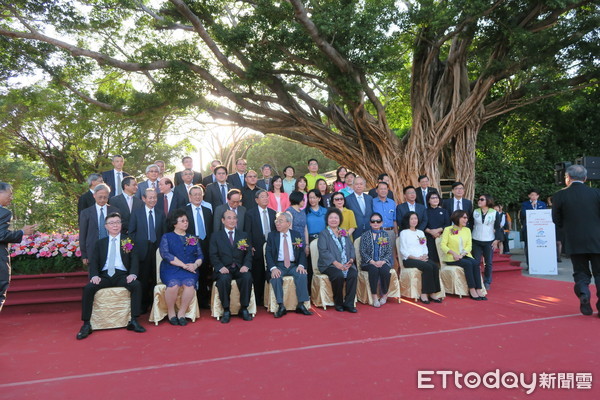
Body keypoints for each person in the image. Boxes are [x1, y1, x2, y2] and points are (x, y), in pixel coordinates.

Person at [76, 212, 145, 339]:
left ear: (121, 225)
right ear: (106, 226)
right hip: (104, 275)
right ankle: (86, 324)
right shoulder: (100, 243)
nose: (115, 225)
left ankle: (134, 320)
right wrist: (94, 275)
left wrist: (133, 274)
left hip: (121, 275)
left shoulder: (128, 241)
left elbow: (135, 259)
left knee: (136, 285)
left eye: (118, 222)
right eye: (112, 223)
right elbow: (94, 261)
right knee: (88, 288)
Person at [552, 164, 600, 316]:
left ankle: (584, 292)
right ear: (585, 178)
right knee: (599, 273)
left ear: (568, 178)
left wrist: (566, 231)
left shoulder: (560, 195)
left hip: (573, 239)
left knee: (580, 271)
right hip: (597, 239)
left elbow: (556, 219)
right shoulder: (596, 193)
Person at [158, 209, 203, 326]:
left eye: (186, 221)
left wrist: (195, 265)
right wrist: (183, 265)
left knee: (189, 284)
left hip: (190, 269)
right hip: (170, 268)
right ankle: (171, 312)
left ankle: (182, 313)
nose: (185, 223)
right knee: (173, 285)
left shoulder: (192, 237)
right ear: (174, 223)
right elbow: (166, 255)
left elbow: (200, 255)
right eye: (182, 221)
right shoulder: (167, 237)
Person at [265, 212, 313, 318]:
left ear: (288, 223)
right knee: (276, 277)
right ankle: (281, 305)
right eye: (276, 221)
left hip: (293, 265)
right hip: (279, 265)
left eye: (280, 221)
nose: (277, 223)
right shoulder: (272, 235)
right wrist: (273, 268)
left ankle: (301, 304)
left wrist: (301, 265)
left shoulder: (296, 234)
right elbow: (268, 253)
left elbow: (301, 252)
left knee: (302, 274)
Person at [209, 210, 254, 323]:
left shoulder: (243, 235)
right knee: (223, 280)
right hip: (224, 268)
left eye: (234, 218)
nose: (232, 220)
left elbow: (248, 253)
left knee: (247, 277)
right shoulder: (216, 236)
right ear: (223, 220)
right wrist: (219, 267)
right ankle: (226, 309)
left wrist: (246, 266)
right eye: (229, 218)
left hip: (239, 267)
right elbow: (213, 255)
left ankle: (244, 308)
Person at [128, 188, 166, 312]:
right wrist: (138, 244)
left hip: (157, 250)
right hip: (142, 250)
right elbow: (131, 232)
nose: (153, 200)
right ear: (144, 199)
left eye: (154, 197)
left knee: (157, 278)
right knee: (143, 279)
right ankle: (143, 305)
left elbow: (164, 233)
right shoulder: (136, 213)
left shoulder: (161, 213)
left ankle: (157, 304)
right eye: (150, 197)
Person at [0, 182, 36, 311]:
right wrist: (21, 232)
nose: (11, 197)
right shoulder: (3, 212)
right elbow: (1, 235)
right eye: (10, 194)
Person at [317, 208, 358, 313]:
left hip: (346, 263)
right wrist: (336, 263)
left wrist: (351, 260)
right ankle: (338, 303)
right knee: (338, 275)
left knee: (353, 273)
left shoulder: (344, 232)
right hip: (329, 265)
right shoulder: (323, 234)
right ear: (327, 220)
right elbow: (323, 251)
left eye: (336, 218)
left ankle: (349, 303)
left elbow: (351, 247)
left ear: (340, 220)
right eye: (331, 218)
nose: (333, 220)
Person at [440, 210, 487, 300]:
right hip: (452, 257)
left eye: (467, 218)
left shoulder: (467, 230)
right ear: (457, 218)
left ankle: (479, 288)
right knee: (468, 264)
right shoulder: (448, 229)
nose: (466, 220)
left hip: (464, 255)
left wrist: (463, 254)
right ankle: (472, 289)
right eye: (464, 218)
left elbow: (469, 245)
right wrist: (454, 254)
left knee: (475, 262)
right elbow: (443, 245)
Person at [399, 211, 443, 303]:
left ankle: (433, 293)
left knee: (434, 266)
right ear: (408, 220)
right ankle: (424, 293)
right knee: (427, 267)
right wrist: (416, 258)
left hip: (422, 258)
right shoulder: (404, 233)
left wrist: (424, 255)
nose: (414, 221)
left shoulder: (420, 232)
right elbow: (403, 250)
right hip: (409, 259)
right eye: (412, 219)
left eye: (416, 218)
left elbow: (424, 246)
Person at [182, 185, 213, 308]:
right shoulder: (184, 211)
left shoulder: (207, 211)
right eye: (194, 194)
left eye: (199, 194)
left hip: (205, 243)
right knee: (191, 271)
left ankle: (203, 300)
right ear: (189, 197)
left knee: (205, 272)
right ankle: (190, 301)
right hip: (190, 245)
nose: (197, 196)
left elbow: (210, 229)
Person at [245, 189, 277, 305]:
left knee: (270, 270)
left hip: (271, 246)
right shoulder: (250, 213)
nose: (265, 199)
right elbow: (247, 232)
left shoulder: (273, 213)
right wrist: (250, 246)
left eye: (267, 196)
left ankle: (270, 298)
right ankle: (258, 299)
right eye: (262, 197)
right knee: (258, 272)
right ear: (256, 200)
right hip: (257, 246)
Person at [79, 184, 120, 266]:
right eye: (100, 197)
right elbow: (83, 235)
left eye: (105, 197)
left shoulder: (115, 211)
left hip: (112, 248)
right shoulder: (86, 213)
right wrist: (84, 255)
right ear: (94, 195)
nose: (102, 200)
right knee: (94, 276)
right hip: (93, 250)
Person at [359, 212, 392, 307]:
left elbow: (389, 251)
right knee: (373, 270)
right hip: (369, 262)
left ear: (381, 223)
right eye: (373, 221)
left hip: (383, 261)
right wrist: (372, 261)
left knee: (385, 270)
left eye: (378, 221)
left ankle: (385, 295)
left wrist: (382, 261)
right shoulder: (365, 235)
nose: (375, 223)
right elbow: (362, 251)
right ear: (370, 223)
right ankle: (374, 296)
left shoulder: (385, 235)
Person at [472, 194, 502, 290]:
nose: (479, 201)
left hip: (489, 240)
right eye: (479, 199)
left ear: (488, 201)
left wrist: (496, 240)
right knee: (476, 262)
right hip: (476, 240)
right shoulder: (475, 211)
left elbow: (497, 227)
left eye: (482, 199)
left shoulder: (494, 213)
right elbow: (470, 225)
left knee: (488, 263)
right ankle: (477, 280)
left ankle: (487, 281)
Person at [371, 181, 398, 267]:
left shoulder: (392, 203)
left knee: (392, 255)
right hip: (378, 232)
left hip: (390, 232)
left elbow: (394, 220)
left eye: (385, 189)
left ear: (388, 190)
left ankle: (393, 275)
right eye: (381, 189)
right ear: (376, 190)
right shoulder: (372, 202)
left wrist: (396, 234)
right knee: (379, 255)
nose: (383, 191)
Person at [520, 188, 546, 266]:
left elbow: (545, 215)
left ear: (538, 196)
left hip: (540, 229)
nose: (534, 197)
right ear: (529, 196)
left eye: (535, 195)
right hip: (528, 228)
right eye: (532, 195)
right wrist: (532, 207)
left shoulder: (542, 204)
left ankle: (541, 263)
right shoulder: (525, 204)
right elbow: (524, 214)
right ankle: (530, 264)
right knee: (528, 247)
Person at [424, 192, 450, 263]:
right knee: (431, 259)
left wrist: (438, 230)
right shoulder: (425, 211)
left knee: (442, 259)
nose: (435, 199)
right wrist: (430, 232)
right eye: (432, 198)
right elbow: (422, 225)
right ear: (428, 201)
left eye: (437, 197)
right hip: (429, 238)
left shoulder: (444, 211)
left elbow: (448, 224)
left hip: (441, 237)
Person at [546, 196, 563, 262]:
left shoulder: (559, 207)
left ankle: (559, 257)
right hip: (548, 226)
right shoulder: (547, 207)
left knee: (558, 242)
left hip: (557, 226)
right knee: (553, 242)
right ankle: (553, 256)